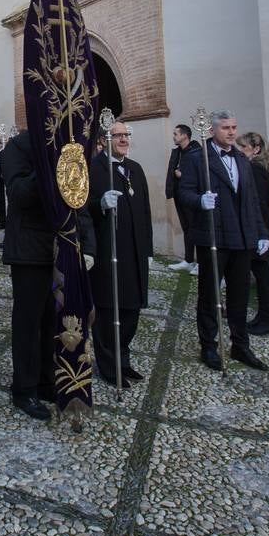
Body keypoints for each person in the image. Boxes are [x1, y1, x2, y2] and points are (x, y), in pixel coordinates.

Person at [0, 129, 96, 419]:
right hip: (29, 249)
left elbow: (80, 198)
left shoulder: (70, 143)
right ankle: (24, 388)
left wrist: (87, 244)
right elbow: (19, 193)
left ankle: (47, 381)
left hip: (63, 246)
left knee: (54, 320)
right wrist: (48, 166)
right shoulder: (18, 146)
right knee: (29, 321)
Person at [177, 110, 269, 372]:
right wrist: (199, 201)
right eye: (226, 127)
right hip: (213, 236)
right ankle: (208, 344)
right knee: (209, 295)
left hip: (241, 238)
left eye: (234, 127)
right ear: (213, 130)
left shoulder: (242, 160)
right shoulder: (198, 158)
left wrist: (260, 232)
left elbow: (252, 201)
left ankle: (240, 344)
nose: (231, 132)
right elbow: (184, 193)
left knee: (239, 296)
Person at [88, 120, 151, 388]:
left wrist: (147, 249)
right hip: (107, 250)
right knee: (107, 310)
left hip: (134, 251)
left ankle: (123, 359)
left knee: (131, 310)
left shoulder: (135, 169)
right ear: (105, 140)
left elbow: (145, 211)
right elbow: (83, 208)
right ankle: (108, 365)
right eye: (118, 135)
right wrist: (99, 204)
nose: (124, 139)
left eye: (126, 134)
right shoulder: (94, 169)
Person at [237, 131, 269, 336]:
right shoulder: (260, 168)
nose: (240, 151)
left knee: (262, 274)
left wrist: (259, 232)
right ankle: (266, 318)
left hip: (259, 228)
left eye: (243, 147)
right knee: (261, 272)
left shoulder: (254, 169)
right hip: (261, 227)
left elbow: (259, 203)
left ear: (256, 149)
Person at [165, 124, 197, 273]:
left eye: (176, 134)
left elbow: (199, 173)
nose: (173, 136)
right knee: (187, 228)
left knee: (196, 227)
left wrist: (183, 175)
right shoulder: (177, 152)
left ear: (184, 136)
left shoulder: (196, 151)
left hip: (192, 196)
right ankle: (189, 260)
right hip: (179, 194)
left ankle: (201, 263)